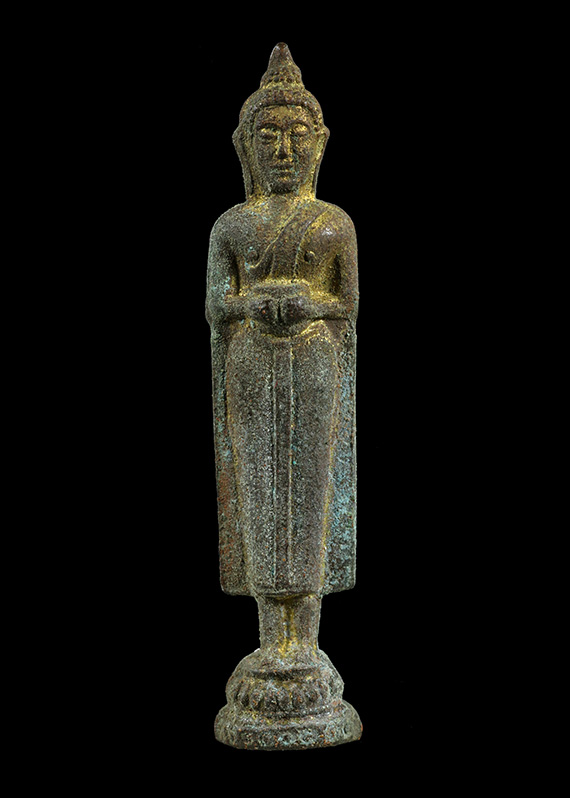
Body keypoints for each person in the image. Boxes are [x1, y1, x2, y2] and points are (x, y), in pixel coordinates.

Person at [206, 43, 359, 672]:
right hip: (250, 364)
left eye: (297, 136)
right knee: (258, 491)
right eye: (269, 137)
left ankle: (309, 645)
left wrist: (305, 304)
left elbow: (348, 303)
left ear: (318, 145)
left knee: (311, 493)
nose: (284, 150)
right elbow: (216, 305)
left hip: (316, 361)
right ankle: (273, 642)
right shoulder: (231, 226)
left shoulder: (333, 223)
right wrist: (252, 304)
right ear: (246, 147)